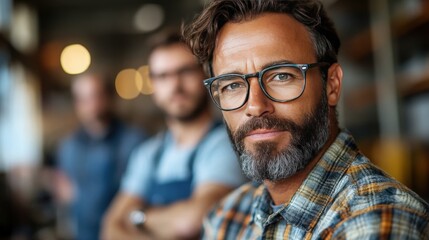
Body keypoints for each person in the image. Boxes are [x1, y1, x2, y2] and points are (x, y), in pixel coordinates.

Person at [183, 0, 429, 239]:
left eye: (281, 76)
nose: (256, 106)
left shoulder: (376, 221)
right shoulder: (226, 217)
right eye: (233, 85)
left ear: (331, 85)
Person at [101, 33, 247, 240]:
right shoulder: (148, 153)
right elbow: (110, 229)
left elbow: (192, 221)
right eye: (162, 76)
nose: (175, 86)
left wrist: (138, 218)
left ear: (205, 73)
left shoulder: (227, 143)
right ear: (153, 85)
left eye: (185, 71)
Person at [56, 73, 145, 240]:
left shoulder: (135, 141)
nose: (92, 104)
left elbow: (139, 194)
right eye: (84, 99)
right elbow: (65, 190)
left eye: (96, 95)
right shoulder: (68, 147)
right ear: (76, 104)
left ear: (109, 97)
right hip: (83, 233)